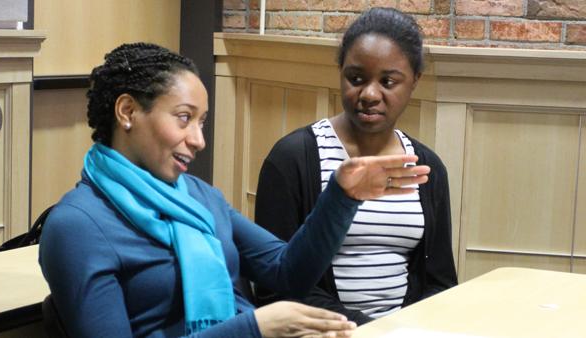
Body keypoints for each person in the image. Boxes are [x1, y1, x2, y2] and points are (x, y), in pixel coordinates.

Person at [38, 42, 431, 338]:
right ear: (127, 112)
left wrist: (342, 196)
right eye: (183, 118)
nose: (198, 140)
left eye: (202, 122)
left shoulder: (198, 195)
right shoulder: (78, 226)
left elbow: (286, 272)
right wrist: (253, 328)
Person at [254, 7, 458, 325]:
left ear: (415, 81)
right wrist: (367, 328)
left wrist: (407, 328)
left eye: (388, 81)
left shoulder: (427, 167)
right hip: (323, 330)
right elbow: (275, 285)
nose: (369, 94)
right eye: (356, 79)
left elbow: (440, 283)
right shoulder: (293, 158)